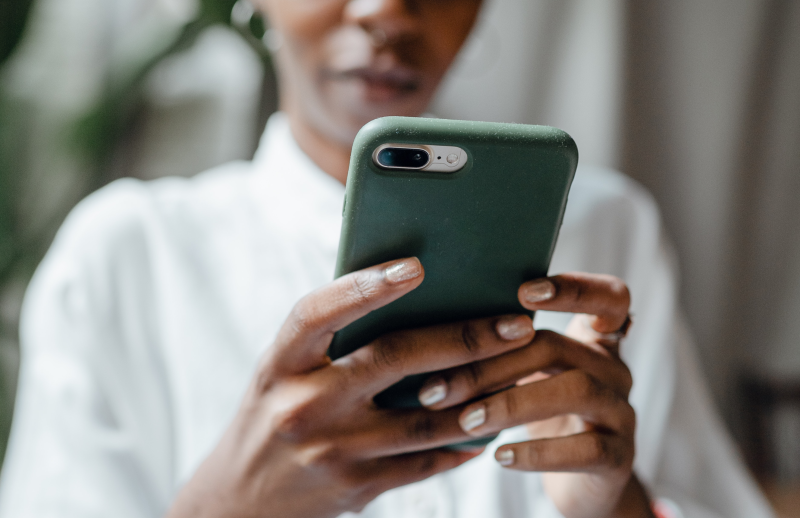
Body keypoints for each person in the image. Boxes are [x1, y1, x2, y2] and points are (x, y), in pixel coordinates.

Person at [0, 0, 776, 517]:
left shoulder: (604, 229)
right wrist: (225, 506)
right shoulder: (126, 255)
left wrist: (616, 504)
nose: (386, 10)